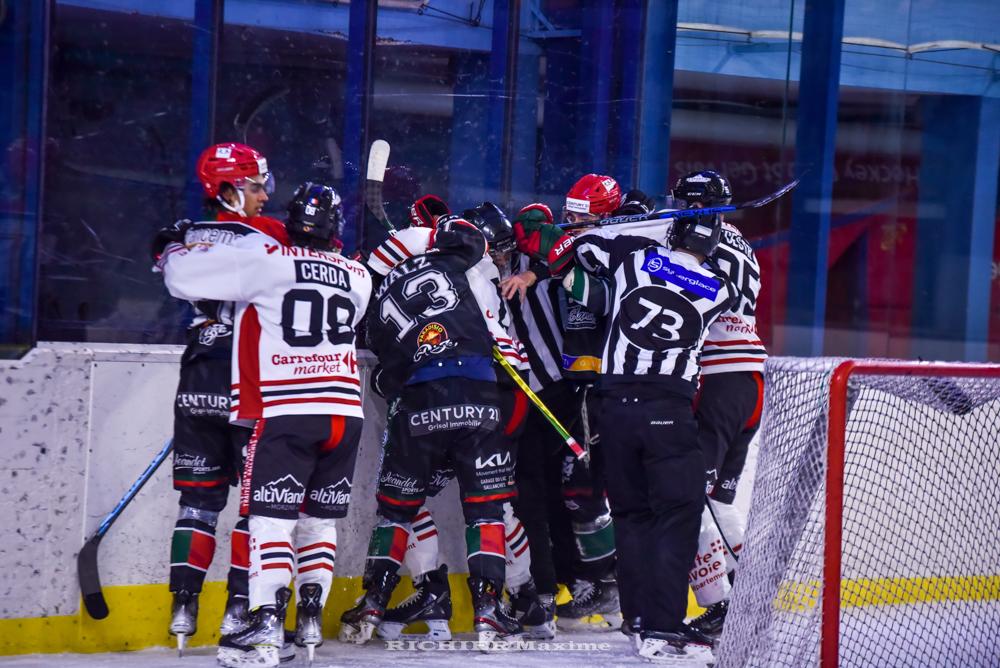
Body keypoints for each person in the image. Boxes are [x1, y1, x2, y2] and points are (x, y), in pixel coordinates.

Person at [157, 183, 372, 668]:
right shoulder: (358, 276)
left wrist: (172, 247)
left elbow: (182, 279)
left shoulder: (270, 262)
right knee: (318, 521)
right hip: (345, 412)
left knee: (270, 522)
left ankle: (266, 625)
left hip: (288, 410)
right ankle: (310, 620)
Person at [341, 215, 523, 648]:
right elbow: (506, 348)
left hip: (420, 400)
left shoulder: (377, 297)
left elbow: (384, 379)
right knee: (486, 510)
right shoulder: (462, 264)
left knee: (396, 510)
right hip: (479, 393)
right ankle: (489, 611)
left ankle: (372, 603)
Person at [573, 203, 737, 663]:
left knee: (632, 517)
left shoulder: (635, 257)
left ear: (673, 232)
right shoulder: (719, 290)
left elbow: (583, 247)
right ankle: (664, 627)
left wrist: (641, 226)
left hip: (615, 410)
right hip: (667, 410)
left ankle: (640, 620)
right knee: (677, 516)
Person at [501, 174, 654, 630]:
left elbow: (600, 294)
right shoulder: (577, 247)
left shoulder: (605, 252)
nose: (570, 219)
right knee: (577, 488)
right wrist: (540, 263)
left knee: (590, 488)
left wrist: (548, 262)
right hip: (583, 387)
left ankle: (610, 581)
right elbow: (546, 237)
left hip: (609, 386)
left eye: (580, 214)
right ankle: (602, 581)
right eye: (569, 212)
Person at [158, 142, 288, 654]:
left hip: (196, 380)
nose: (264, 195)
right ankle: (239, 608)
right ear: (229, 190)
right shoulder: (270, 234)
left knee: (198, 502)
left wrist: (171, 244)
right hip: (246, 384)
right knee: (257, 509)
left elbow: (171, 270)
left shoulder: (185, 237)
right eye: (255, 186)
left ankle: (183, 606)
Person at [671, 171, 766, 642]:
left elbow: (667, 271)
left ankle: (721, 608)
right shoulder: (742, 242)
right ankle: (754, 601)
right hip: (752, 380)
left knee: (688, 494)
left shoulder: (697, 236)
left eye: (681, 204)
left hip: (718, 376)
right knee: (718, 499)